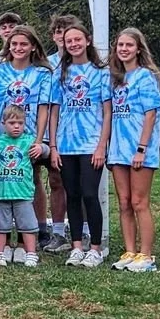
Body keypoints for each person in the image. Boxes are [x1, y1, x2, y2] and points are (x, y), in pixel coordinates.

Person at [0, 24, 52, 259]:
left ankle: (25, 241)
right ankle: (3, 240)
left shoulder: (42, 73)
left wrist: (39, 139)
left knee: (29, 182)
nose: (19, 48)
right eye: (14, 44)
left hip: (29, 135)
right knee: (4, 180)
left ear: (33, 46)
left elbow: (44, 107)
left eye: (23, 44)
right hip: (4, 136)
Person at [48, 21, 112, 269]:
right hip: (66, 145)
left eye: (77, 39)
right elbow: (54, 111)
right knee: (72, 195)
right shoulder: (60, 73)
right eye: (68, 41)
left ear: (87, 41)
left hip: (90, 145)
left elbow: (107, 112)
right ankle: (76, 247)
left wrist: (101, 146)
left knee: (89, 194)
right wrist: (53, 146)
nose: (73, 44)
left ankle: (95, 248)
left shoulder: (100, 73)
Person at [107, 28, 160, 274]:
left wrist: (141, 148)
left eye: (128, 45)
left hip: (139, 150)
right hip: (118, 150)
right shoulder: (117, 79)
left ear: (138, 48)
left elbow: (150, 114)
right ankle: (130, 251)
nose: (124, 49)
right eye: (120, 45)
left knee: (140, 202)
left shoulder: (145, 77)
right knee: (124, 203)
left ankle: (146, 254)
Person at [0, 106, 41, 268]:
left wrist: (43, 148)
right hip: (1, 193)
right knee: (0, 226)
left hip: (23, 193)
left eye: (20, 122)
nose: (16, 126)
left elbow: (43, 152)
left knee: (27, 226)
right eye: (12, 123)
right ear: (3, 123)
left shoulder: (29, 141)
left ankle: (31, 253)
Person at [45, 13, 79, 246]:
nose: (62, 35)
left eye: (66, 30)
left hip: (81, 135)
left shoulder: (89, 64)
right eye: (58, 30)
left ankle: (84, 230)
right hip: (52, 132)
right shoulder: (46, 64)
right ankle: (57, 231)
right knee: (56, 181)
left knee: (82, 186)